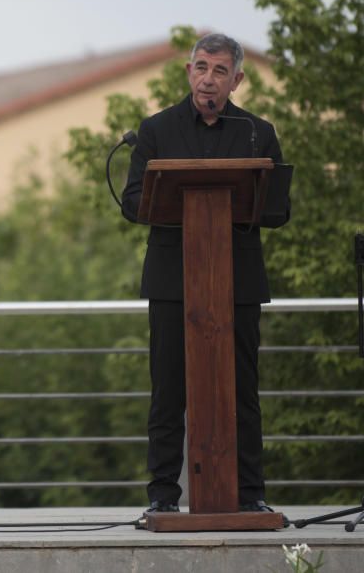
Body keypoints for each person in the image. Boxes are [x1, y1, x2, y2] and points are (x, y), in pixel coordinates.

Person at [120, 34, 291, 514]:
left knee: (242, 390)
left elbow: (278, 209)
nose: (207, 79)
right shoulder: (157, 129)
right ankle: (162, 497)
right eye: (200, 67)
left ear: (237, 79)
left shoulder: (258, 132)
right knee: (169, 391)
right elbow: (134, 203)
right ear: (188, 72)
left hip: (236, 280)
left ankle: (251, 494)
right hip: (175, 280)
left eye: (219, 71)